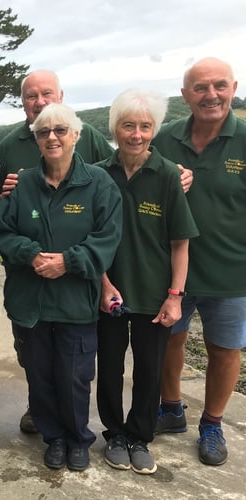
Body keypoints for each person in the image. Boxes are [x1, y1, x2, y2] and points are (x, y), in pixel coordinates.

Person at [0, 103, 122, 471]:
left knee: (75, 375)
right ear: (36, 139)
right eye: (43, 132)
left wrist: (69, 261)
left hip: (75, 301)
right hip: (29, 302)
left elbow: (108, 239)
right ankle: (54, 438)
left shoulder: (99, 184)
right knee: (40, 374)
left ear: (77, 135)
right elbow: (2, 232)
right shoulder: (24, 183)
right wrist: (31, 255)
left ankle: (79, 437)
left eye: (60, 130)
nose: (52, 137)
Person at [95, 89, 198, 475]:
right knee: (108, 368)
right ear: (114, 128)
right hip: (110, 294)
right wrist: (103, 284)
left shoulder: (169, 174)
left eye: (144, 126)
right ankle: (115, 434)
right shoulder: (98, 174)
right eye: (127, 125)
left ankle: (140, 437)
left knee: (148, 370)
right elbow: (90, 238)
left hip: (155, 296)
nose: (136, 134)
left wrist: (175, 296)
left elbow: (180, 244)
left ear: (153, 130)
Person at [152, 57, 246, 466]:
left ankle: (212, 422)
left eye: (220, 86)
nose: (211, 95)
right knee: (169, 340)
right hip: (174, 268)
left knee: (224, 349)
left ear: (233, 87)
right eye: (201, 88)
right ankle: (171, 409)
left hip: (232, 270)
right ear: (185, 94)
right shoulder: (166, 138)